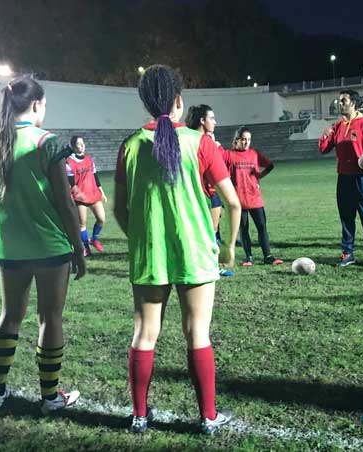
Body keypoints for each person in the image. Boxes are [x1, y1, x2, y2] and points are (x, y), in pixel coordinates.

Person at [114, 64, 241, 434]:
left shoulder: (130, 146)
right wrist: (228, 247)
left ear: (145, 103)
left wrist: (139, 236)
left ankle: (139, 416)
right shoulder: (200, 143)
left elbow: (119, 208)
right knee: (197, 332)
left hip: (149, 253)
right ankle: (208, 418)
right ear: (179, 101)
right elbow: (233, 203)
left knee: (144, 333)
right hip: (195, 251)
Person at [0, 76, 86, 413]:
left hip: (10, 248)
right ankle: (50, 397)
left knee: (9, 315)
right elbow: (66, 203)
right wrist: (78, 247)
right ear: (37, 104)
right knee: (49, 318)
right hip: (50, 247)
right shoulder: (47, 143)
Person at [318, 89, 363, 267]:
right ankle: (347, 253)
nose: (339, 104)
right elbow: (324, 149)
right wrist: (325, 135)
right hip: (344, 179)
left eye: (343, 101)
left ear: (354, 103)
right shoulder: (337, 126)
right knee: (346, 218)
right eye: (339, 101)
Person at [186, 104, 235, 276]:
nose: (215, 122)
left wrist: (217, 147)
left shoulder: (207, 142)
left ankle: (212, 265)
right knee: (204, 231)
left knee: (211, 231)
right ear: (202, 120)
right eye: (212, 118)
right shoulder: (199, 142)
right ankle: (205, 265)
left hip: (211, 193)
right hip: (200, 194)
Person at [226, 127, 282, 266]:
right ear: (237, 140)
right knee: (243, 229)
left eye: (249, 140)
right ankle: (248, 257)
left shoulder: (254, 154)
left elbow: (270, 165)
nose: (246, 142)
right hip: (238, 200)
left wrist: (258, 177)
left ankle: (268, 256)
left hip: (255, 198)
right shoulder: (229, 155)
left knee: (262, 227)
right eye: (243, 139)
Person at [65, 136, 107, 256]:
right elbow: (71, 183)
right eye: (79, 144)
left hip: (93, 193)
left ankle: (94, 239)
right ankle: (86, 247)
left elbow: (95, 176)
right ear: (73, 147)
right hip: (80, 197)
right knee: (82, 224)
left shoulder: (89, 159)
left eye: (83, 143)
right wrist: (77, 195)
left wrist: (102, 192)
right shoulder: (69, 162)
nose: (82, 145)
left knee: (101, 219)